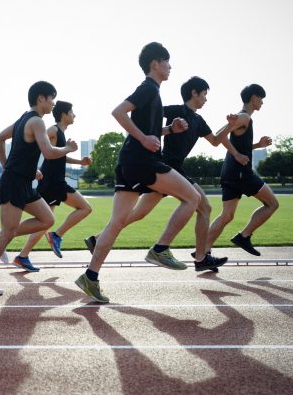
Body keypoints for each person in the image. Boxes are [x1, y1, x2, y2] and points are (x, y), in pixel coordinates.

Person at [75, 42, 203, 304]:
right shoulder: (147, 88)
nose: (170, 67)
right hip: (142, 161)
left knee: (117, 222)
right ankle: (160, 248)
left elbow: (151, 131)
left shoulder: (154, 94)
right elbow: (118, 112)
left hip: (129, 163)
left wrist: (169, 131)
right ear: (154, 63)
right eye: (167, 62)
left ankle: (90, 276)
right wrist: (144, 138)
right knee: (193, 198)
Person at [84, 76, 244, 272]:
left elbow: (215, 141)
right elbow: (148, 124)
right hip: (164, 166)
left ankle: (97, 239)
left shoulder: (199, 120)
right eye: (204, 95)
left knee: (139, 214)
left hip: (173, 168)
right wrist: (148, 136)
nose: (206, 99)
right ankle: (197, 256)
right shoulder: (174, 110)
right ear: (194, 93)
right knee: (204, 207)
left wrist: (230, 126)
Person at [0, 81, 78, 296]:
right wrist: (68, 148)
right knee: (8, 234)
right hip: (14, 182)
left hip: (24, 182)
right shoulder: (36, 121)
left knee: (47, 220)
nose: (53, 103)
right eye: (51, 98)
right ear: (41, 98)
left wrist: (9, 165)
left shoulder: (23, 119)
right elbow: (47, 152)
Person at [11, 100, 92, 272]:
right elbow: (37, 146)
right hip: (52, 182)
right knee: (85, 208)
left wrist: (79, 162)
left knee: (44, 222)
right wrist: (33, 168)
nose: (74, 115)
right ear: (63, 115)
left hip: (53, 181)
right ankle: (56, 235)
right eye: (72, 112)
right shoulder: (53, 130)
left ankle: (22, 255)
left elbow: (58, 155)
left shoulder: (60, 133)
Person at [204, 84, 279, 256]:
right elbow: (218, 136)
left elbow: (237, 143)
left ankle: (203, 251)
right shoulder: (244, 117)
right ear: (254, 98)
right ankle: (244, 236)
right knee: (272, 204)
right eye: (261, 99)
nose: (262, 103)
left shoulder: (243, 118)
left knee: (227, 215)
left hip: (230, 172)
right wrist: (237, 154)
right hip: (240, 173)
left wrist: (257, 145)